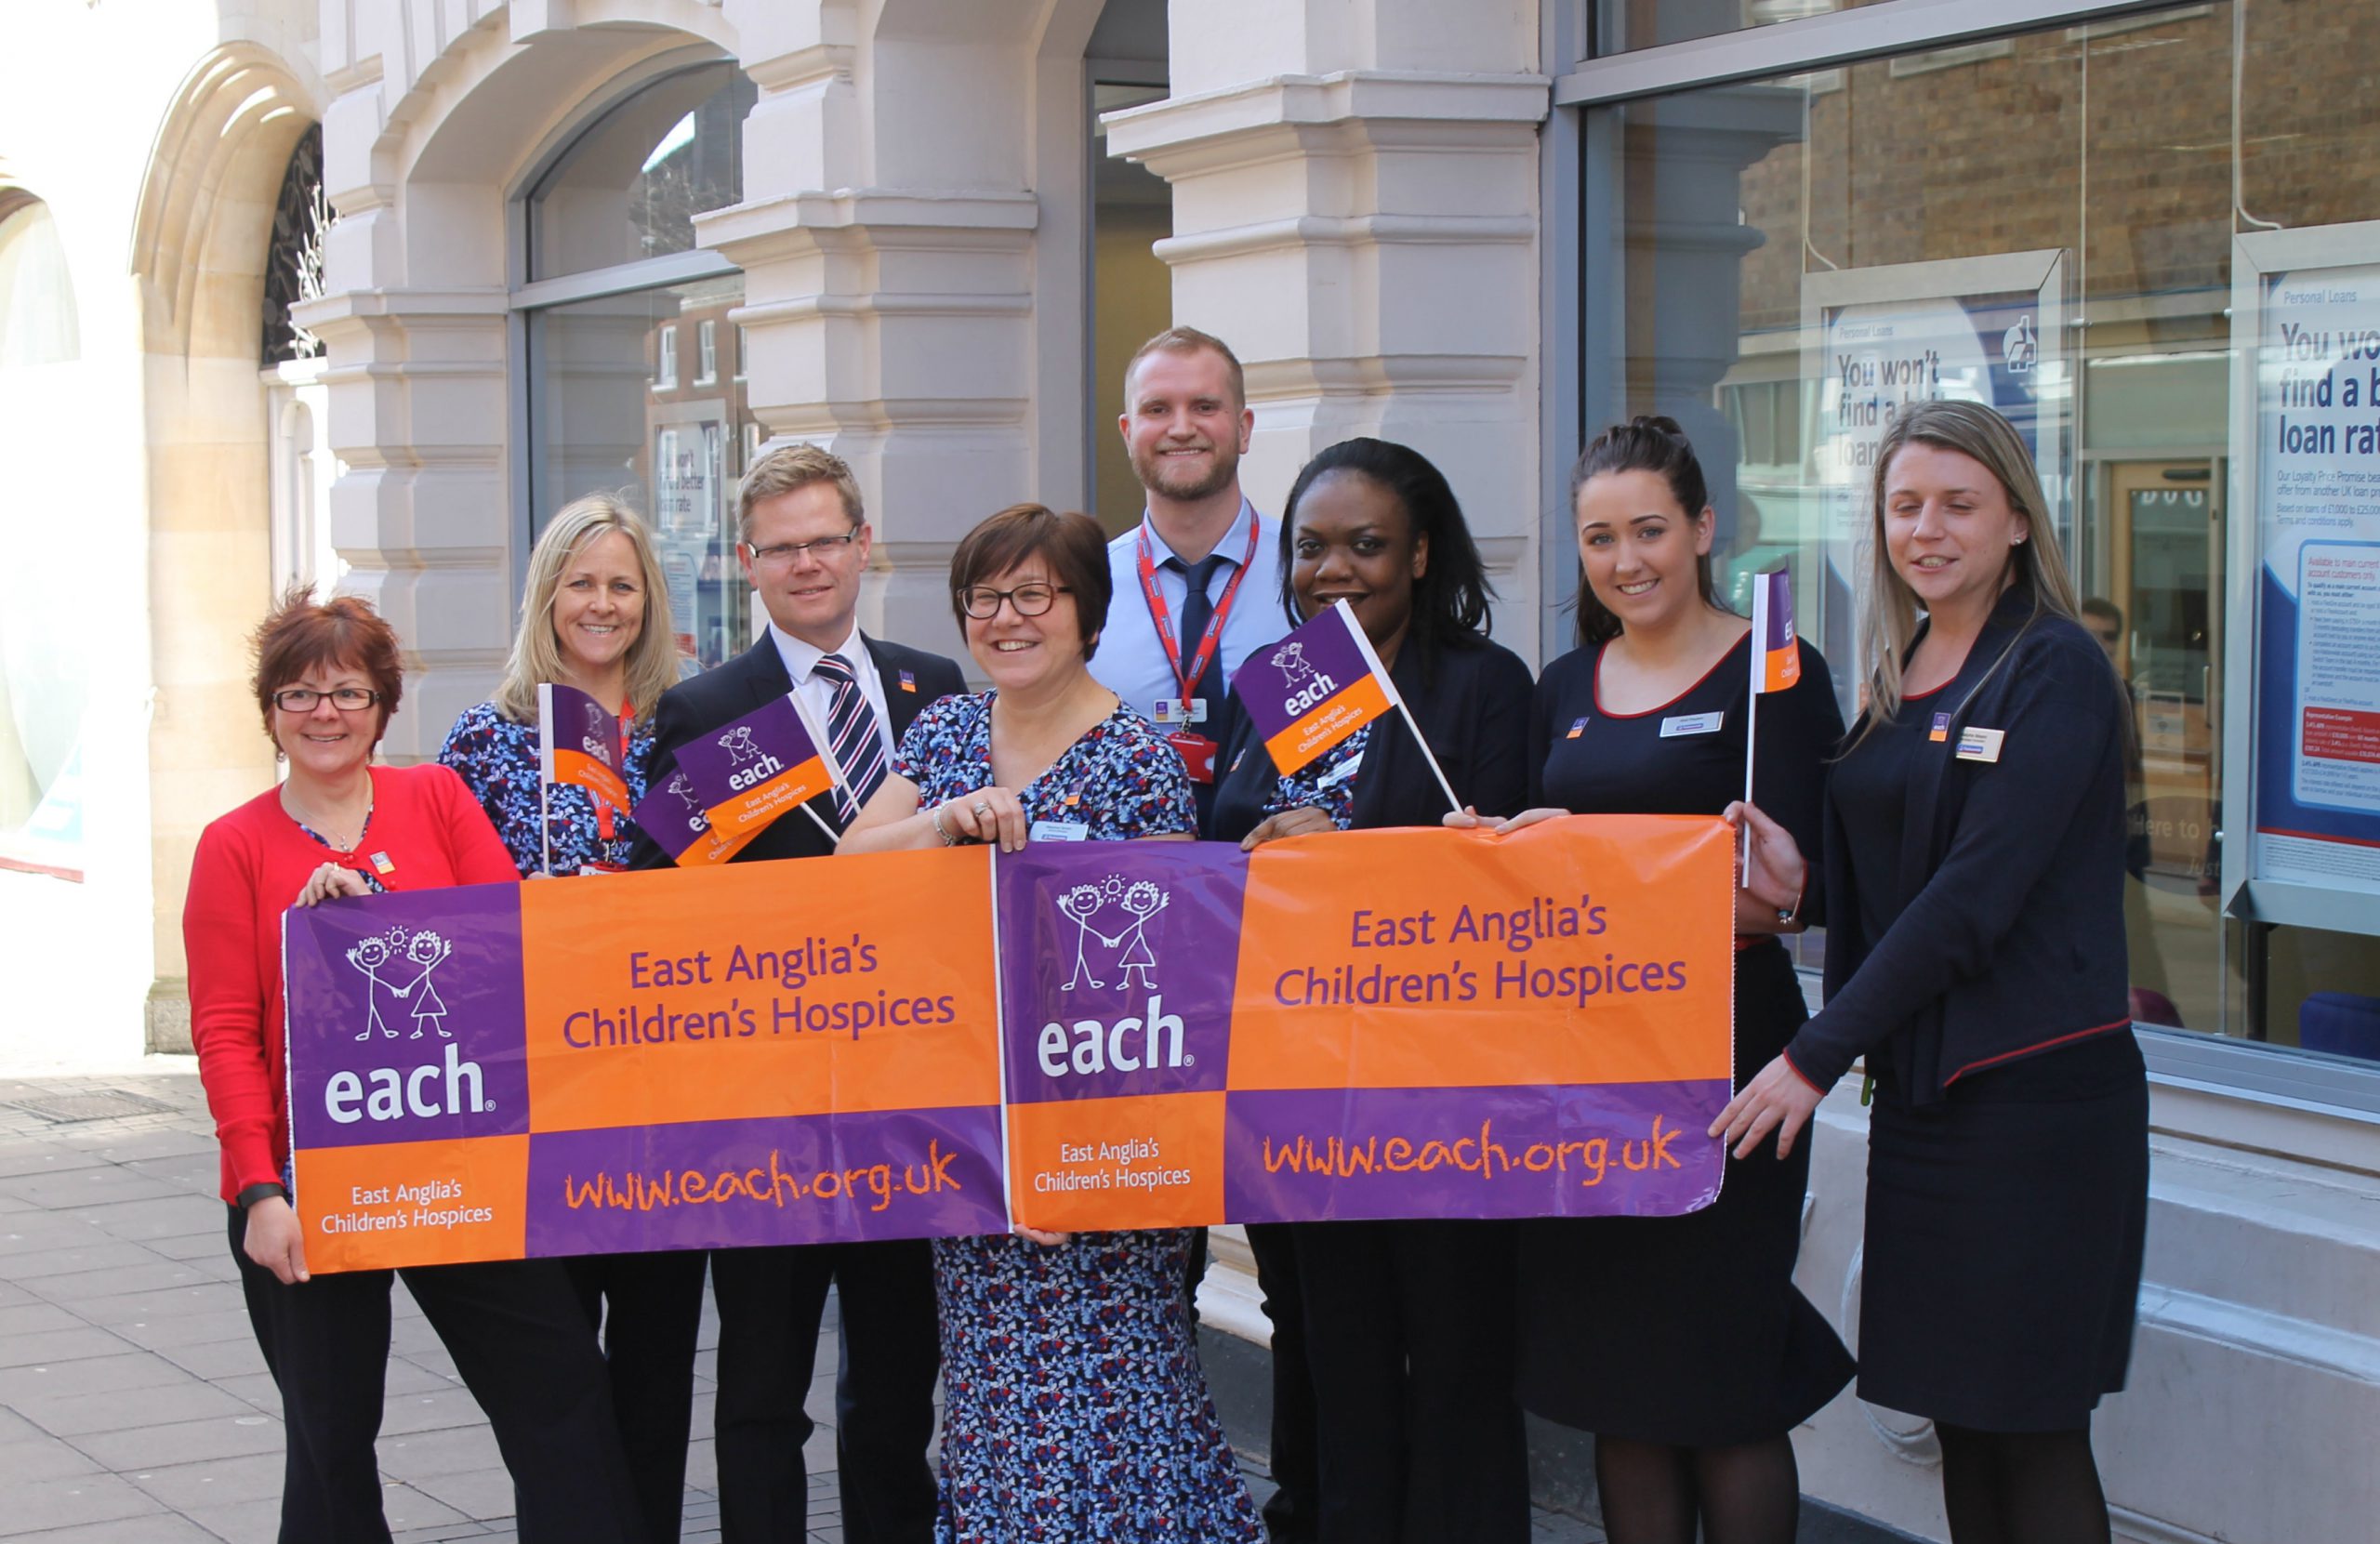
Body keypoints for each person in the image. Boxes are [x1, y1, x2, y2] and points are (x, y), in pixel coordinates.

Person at [1715, 400, 2149, 1544]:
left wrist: (1811, 1054)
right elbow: (1905, 874)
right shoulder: (1899, 664)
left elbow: (1970, 899)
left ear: (2017, 520)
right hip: (1927, 1104)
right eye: (1905, 505)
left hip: (2035, 1104)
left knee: (2032, 1426)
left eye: (1959, 504)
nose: (1927, 529)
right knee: (1963, 1419)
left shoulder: (2052, 666)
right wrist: (1800, 886)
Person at [1458, 417, 1853, 1544]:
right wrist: (1493, 854)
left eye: (1649, 530)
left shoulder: (1775, 673)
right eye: (1599, 538)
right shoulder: (1562, 684)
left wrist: (1590, 864)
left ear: (1702, 528)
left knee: (1720, 1376)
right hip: (1586, 1064)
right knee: (1618, 1381)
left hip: (1730, 1055)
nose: (1625, 560)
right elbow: (1538, 886)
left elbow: (1800, 894)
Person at [840, 503, 1264, 1544]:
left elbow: (1166, 993)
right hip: (974, 1137)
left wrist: (1078, 1167)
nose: (1006, 617)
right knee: (995, 1410)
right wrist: (941, 821)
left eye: (1034, 593)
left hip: (1102, 1150)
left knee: (1124, 1405)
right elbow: (847, 868)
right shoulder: (946, 732)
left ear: (1088, 612)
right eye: (984, 597)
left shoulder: (1138, 761)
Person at [184, 588, 639, 1544]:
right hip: (306, 1185)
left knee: (559, 1390)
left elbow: (506, 950)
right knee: (332, 1440)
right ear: (270, 709)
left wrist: (380, 914)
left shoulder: (434, 798)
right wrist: (261, 1191)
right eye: (300, 693)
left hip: (455, 1162)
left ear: (383, 706)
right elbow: (225, 1032)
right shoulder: (233, 844)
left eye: (349, 692)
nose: (325, 713)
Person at [626, 443, 963, 1544]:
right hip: (767, 1105)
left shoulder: (936, 687)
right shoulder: (702, 709)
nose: (807, 563)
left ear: (864, 545)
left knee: (897, 1380)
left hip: (910, 1096)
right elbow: (660, 902)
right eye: (782, 548)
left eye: (825, 540)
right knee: (763, 1387)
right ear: (748, 563)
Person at [1211, 437, 1535, 1544]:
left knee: (1452, 1354)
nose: (1333, 569)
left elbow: (1503, 881)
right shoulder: (1273, 683)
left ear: (1421, 554)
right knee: (1325, 1345)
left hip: (1438, 1093)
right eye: (1310, 546)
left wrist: (1341, 848)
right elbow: (1219, 842)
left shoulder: (1485, 685)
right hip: (1294, 1085)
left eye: (1366, 544)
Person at [436, 495, 698, 1544]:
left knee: (658, 1360)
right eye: (581, 582)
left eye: (622, 584)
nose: (602, 604)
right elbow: (448, 911)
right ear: (546, 596)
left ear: (650, 600)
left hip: (672, 1101)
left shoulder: (689, 728)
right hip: (541, 1096)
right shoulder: (484, 739)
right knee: (557, 1376)